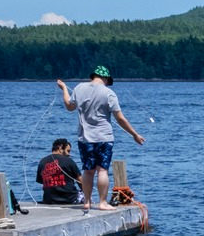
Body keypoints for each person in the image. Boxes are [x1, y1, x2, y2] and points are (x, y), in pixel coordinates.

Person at [56, 65, 145, 210]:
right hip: (104, 137)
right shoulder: (109, 93)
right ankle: (102, 202)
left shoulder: (79, 88)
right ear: (106, 79)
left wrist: (64, 88)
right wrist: (134, 134)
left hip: (85, 138)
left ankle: (87, 202)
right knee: (102, 170)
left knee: (88, 171)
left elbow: (69, 106)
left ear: (93, 76)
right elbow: (120, 118)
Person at [35, 137, 81, 206]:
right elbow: (81, 182)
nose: (69, 154)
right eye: (68, 151)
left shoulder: (42, 162)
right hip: (70, 200)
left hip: (49, 200)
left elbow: (42, 181)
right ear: (60, 148)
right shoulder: (69, 161)